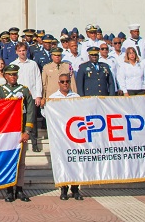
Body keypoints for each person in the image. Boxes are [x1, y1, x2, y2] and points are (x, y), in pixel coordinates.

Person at [0, 64, 35, 203]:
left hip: (20, 131)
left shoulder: (24, 90)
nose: (13, 77)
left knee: (21, 162)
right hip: (7, 132)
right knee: (8, 161)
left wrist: (27, 131)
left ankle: (20, 189)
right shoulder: (0, 91)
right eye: (10, 74)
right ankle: (9, 190)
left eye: (15, 74)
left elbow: (30, 111)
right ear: (5, 76)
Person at [42, 72, 82, 201]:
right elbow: (46, 114)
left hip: (74, 135)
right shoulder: (53, 97)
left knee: (75, 162)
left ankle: (75, 189)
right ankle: (64, 189)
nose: (65, 84)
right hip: (60, 135)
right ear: (59, 83)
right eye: (63, 82)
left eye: (67, 81)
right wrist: (43, 106)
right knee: (63, 162)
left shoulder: (76, 97)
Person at [10, 42, 42, 152]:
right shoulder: (14, 64)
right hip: (19, 96)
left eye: (23, 50)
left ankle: (34, 143)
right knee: (20, 119)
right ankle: (20, 142)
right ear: (16, 52)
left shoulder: (33, 64)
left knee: (32, 119)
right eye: (19, 51)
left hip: (32, 95)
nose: (22, 52)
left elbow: (38, 79)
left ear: (26, 51)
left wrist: (38, 95)